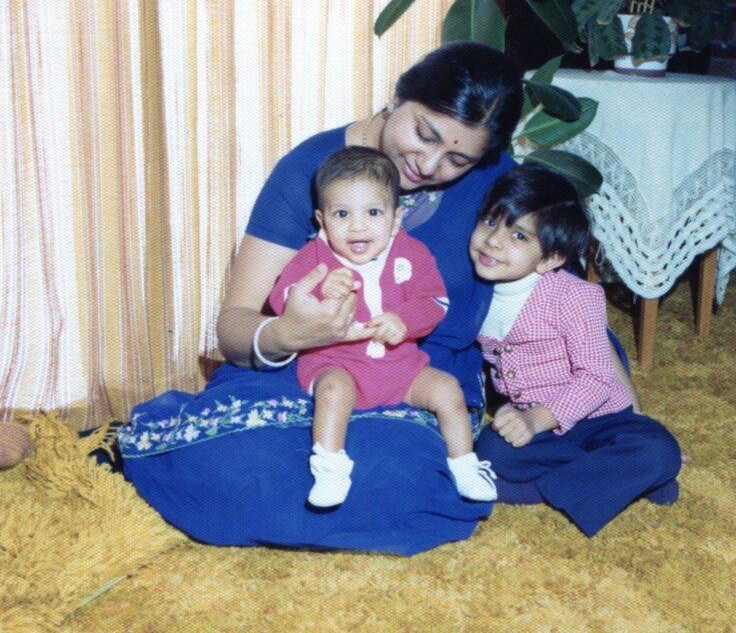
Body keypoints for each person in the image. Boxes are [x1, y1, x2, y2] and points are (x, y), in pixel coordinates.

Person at [118, 42, 643, 555]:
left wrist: (631, 421)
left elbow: (569, 298)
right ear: (397, 98)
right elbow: (233, 325)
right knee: (231, 471)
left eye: (457, 157)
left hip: (418, 372)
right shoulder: (310, 170)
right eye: (423, 133)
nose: (429, 163)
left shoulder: (496, 182)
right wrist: (286, 333)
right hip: (302, 363)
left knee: (406, 487)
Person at [266, 147, 495, 506]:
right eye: (342, 213)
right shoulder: (313, 258)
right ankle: (330, 468)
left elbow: (435, 301)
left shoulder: (411, 253)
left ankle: (465, 464)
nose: (358, 226)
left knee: (448, 389)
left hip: (399, 367)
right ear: (322, 219)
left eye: (373, 212)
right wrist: (318, 291)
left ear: (395, 218)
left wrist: (404, 321)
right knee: (333, 392)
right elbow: (282, 299)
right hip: (337, 362)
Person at [471, 165, 683, 537]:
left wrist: (536, 418)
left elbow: (598, 377)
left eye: (518, 235)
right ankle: (622, 483)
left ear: (551, 258)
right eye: (490, 221)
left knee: (658, 449)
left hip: (600, 416)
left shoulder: (575, 296)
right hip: (541, 432)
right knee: (490, 450)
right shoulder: (475, 290)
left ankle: (550, 489)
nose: (493, 240)